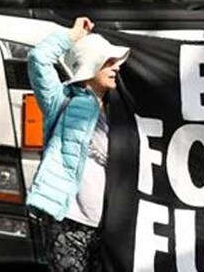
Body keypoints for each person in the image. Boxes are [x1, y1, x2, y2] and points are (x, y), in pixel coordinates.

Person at [26, 17, 130, 272]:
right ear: (90, 65)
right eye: (108, 61)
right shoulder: (61, 100)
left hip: (108, 226)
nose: (116, 67)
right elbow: (38, 58)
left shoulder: (121, 109)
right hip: (68, 221)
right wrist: (72, 35)